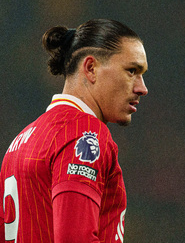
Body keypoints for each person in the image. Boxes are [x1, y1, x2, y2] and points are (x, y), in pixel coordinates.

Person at [0, 19, 148, 242]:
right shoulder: (85, 133)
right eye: (131, 71)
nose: (142, 88)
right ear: (91, 68)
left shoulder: (21, 140)